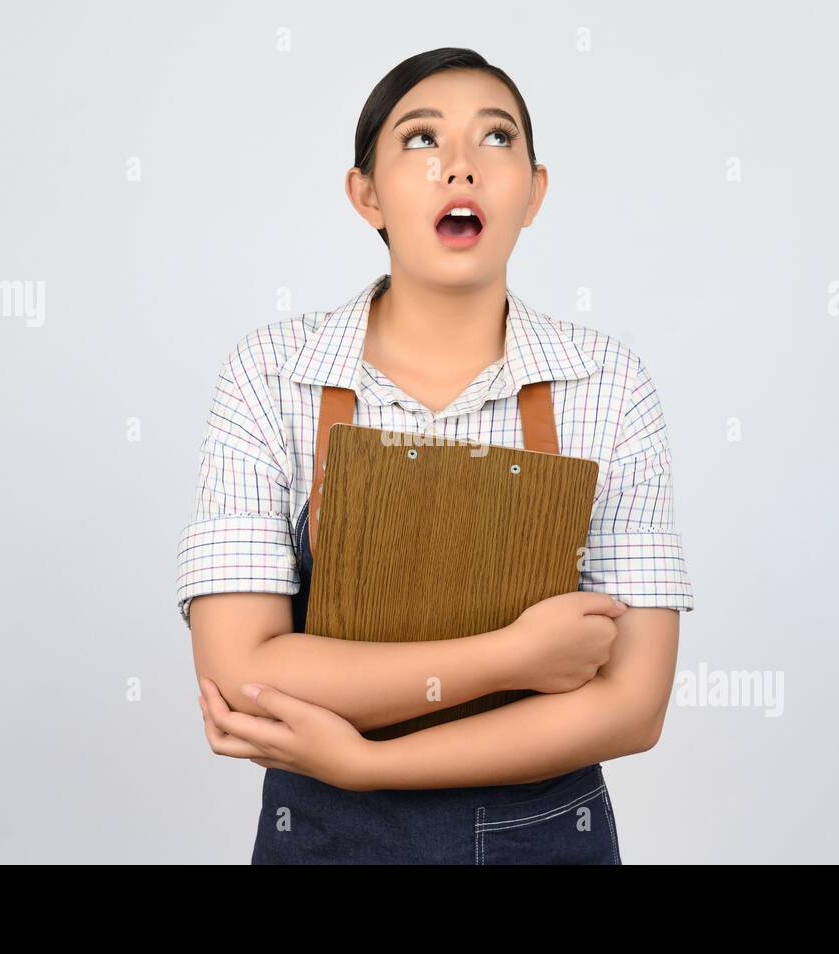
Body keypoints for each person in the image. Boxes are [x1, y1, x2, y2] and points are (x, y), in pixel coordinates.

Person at [178, 47, 694, 864]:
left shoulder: (610, 384)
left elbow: (632, 707)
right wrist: (514, 657)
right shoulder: (270, 374)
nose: (460, 167)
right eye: (421, 140)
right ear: (366, 194)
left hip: (547, 842)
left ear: (534, 191)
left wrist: (370, 761)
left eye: (496, 139)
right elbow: (242, 676)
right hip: (322, 842)